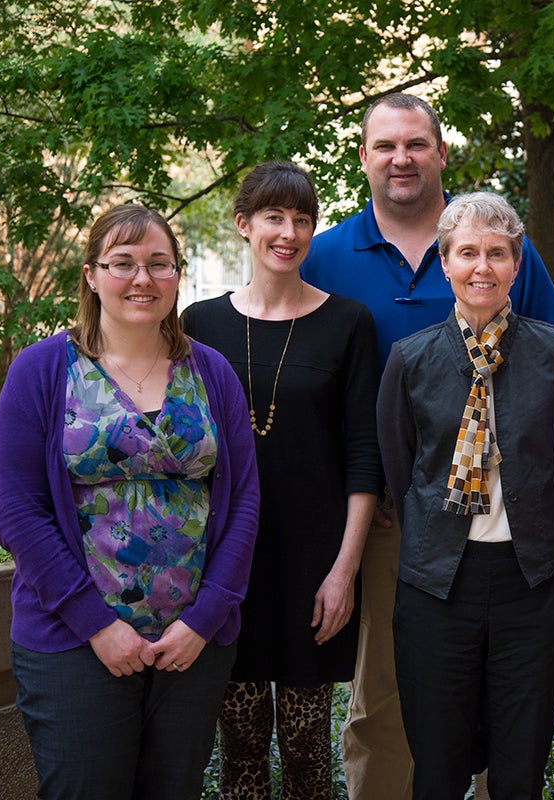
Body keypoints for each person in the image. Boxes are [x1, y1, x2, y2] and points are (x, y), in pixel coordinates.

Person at [298, 93, 554, 800]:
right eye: (385, 145)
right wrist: (383, 496)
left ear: (440, 151)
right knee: (390, 704)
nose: (401, 157)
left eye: (416, 143)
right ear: (363, 156)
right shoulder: (325, 256)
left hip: (515, 538)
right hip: (401, 521)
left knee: (508, 719)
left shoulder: (513, 257)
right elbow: (358, 415)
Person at [0, 204, 260, 799]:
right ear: (91, 275)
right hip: (74, 644)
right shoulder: (43, 370)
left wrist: (204, 620)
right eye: (123, 263)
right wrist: (97, 626)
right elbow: (16, 511)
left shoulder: (210, 372)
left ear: (177, 275)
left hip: (189, 649)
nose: (142, 279)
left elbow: (242, 501)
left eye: (158, 264)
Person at [182, 161, 381, 797]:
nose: (288, 232)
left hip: (312, 564)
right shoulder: (199, 325)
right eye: (274, 216)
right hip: (227, 565)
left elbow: (365, 456)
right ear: (244, 224)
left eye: (302, 219)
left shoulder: (348, 322)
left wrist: (344, 571)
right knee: (238, 752)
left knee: (304, 752)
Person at [376, 192, 554, 799]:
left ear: (518, 265)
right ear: (445, 263)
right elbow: (401, 467)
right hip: (438, 585)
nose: (482, 267)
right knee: (437, 770)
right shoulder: (409, 361)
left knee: (519, 771)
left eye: (497, 253)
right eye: (467, 252)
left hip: (528, 584)